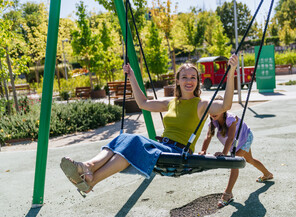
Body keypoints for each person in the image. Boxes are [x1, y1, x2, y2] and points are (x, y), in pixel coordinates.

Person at [60, 54, 239, 196]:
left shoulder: (201, 104)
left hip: (177, 154)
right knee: (124, 142)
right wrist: (131, 77)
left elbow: (225, 105)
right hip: (161, 148)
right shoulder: (171, 102)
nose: (189, 81)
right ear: (177, 80)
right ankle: (90, 180)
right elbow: (143, 103)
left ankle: (88, 168)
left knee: (134, 141)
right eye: (184, 77)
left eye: (193, 77)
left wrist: (230, 74)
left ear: (197, 81)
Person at [199, 102, 273, 207]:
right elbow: (208, 136)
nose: (213, 113)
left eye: (217, 110)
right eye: (211, 110)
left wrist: (224, 153)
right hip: (235, 143)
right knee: (250, 160)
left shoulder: (231, 119)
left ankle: (227, 194)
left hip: (245, 138)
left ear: (223, 109)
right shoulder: (213, 121)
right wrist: (203, 150)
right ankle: (267, 174)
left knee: (233, 163)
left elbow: (230, 138)